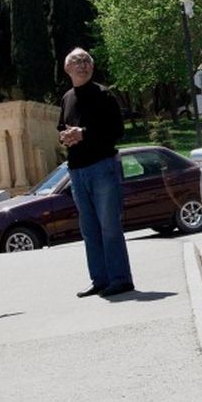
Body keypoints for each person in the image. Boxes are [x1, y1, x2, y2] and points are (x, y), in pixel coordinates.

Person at [57, 48, 134, 298]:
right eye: (77, 61)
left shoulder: (104, 95)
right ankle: (99, 279)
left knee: (109, 225)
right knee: (89, 229)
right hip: (77, 172)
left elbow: (117, 131)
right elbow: (62, 126)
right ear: (67, 68)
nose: (83, 65)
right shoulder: (67, 98)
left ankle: (120, 279)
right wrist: (64, 136)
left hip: (102, 167)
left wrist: (84, 134)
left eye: (87, 60)